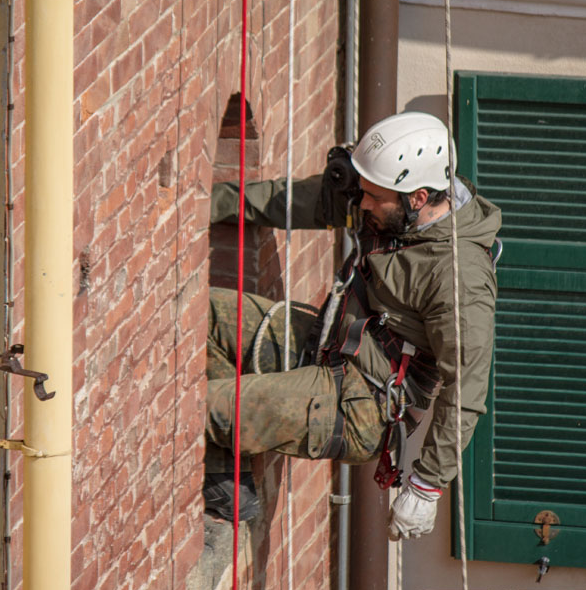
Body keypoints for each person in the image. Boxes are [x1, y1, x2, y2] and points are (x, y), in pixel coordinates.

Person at [205, 111, 501, 540]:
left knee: (198, 407)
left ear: (418, 198)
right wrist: (201, 204)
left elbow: (467, 390)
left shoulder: (458, 278)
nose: (361, 205)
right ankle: (223, 480)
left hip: (362, 403)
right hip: (330, 342)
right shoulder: (392, 202)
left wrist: (427, 485)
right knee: (209, 314)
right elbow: (300, 201)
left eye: (371, 198)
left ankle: (219, 438)